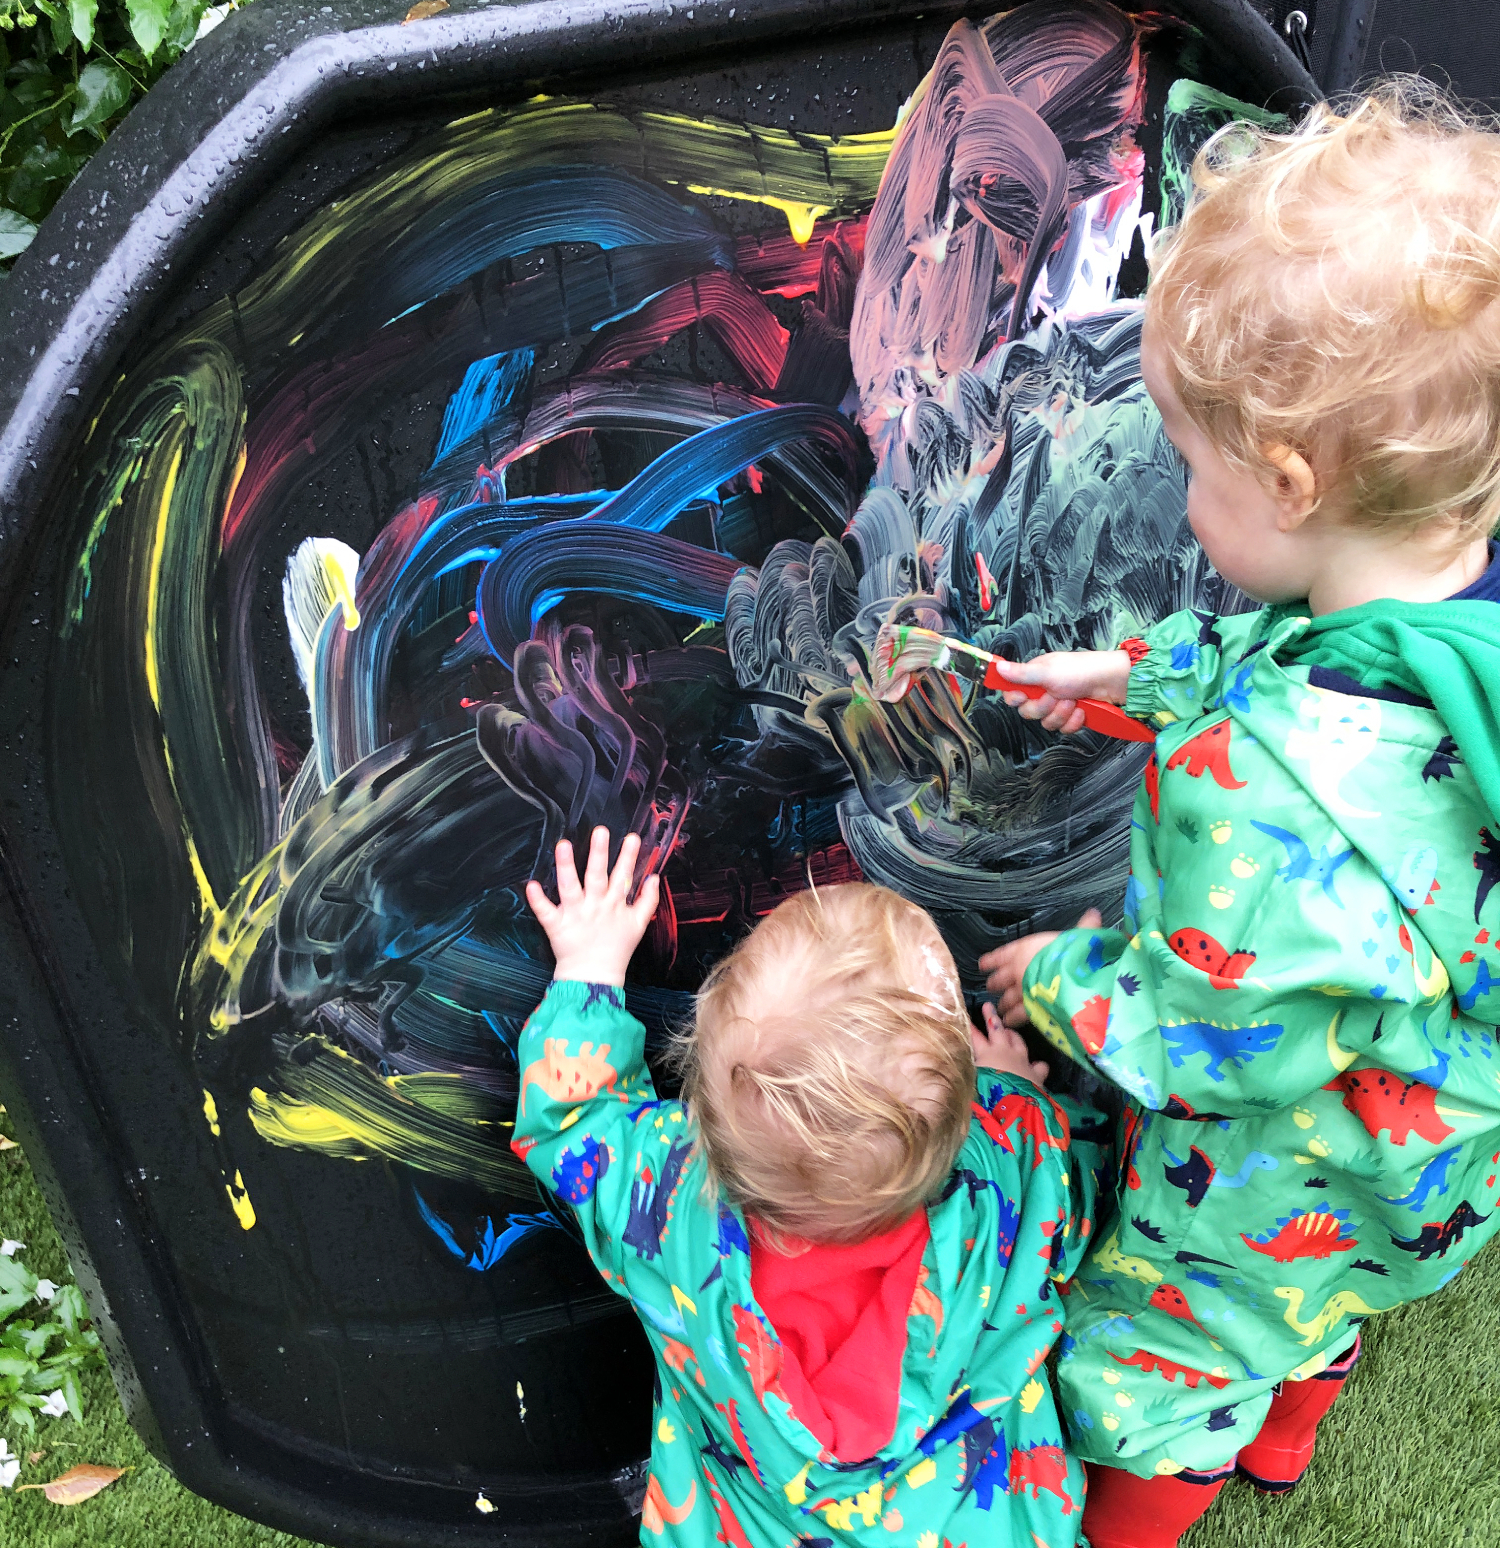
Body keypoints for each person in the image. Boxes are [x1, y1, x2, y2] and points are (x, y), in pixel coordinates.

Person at [928, 84, 1500, 1548]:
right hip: (1424, 1143)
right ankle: (1291, 1435)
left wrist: (1054, 978)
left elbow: (1214, 1034)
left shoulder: (1279, 806)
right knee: (1334, 1285)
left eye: (1194, 464)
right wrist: (1144, 677)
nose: (1182, 492)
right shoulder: (1453, 604)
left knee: (1164, 1351)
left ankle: (1142, 1507)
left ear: (1293, 482)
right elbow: (1323, 658)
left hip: (1276, 1156)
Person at [514, 826, 1113, 1546]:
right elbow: (1079, 1189)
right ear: (960, 1121)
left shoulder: (669, 1202)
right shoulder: (1013, 1173)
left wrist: (589, 969)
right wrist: (1014, 1092)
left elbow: (573, 1123)